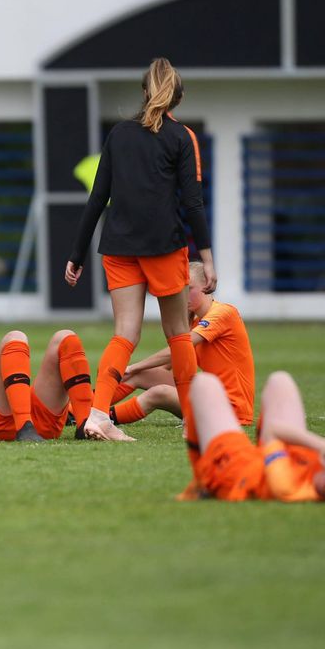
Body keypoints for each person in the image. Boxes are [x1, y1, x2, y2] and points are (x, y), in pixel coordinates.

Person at [66, 57, 216, 443]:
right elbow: (193, 203)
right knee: (178, 334)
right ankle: (195, 420)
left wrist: (76, 255)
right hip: (162, 246)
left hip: (118, 246)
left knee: (124, 334)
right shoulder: (182, 137)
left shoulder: (119, 134)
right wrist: (209, 258)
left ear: (144, 92)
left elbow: (98, 197)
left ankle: (98, 416)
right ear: (177, 97)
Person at [189, 371, 325, 503]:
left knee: (205, 383)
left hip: (237, 468)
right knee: (280, 380)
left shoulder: (286, 487)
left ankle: (201, 484)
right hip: (293, 456)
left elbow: (273, 430)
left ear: (324, 484)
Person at [108, 261, 254, 428]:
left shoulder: (223, 313)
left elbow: (173, 352)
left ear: (206, 286)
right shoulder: (195, 323)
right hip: (208, 399)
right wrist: (134, 372)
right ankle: (84, 411)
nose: (183, 296)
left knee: (158, 393)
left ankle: (106, 418)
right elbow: (173, 362)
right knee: (142, 374)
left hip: (231, 411)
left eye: (189, 289)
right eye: (181, 290)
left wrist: (133, 367)